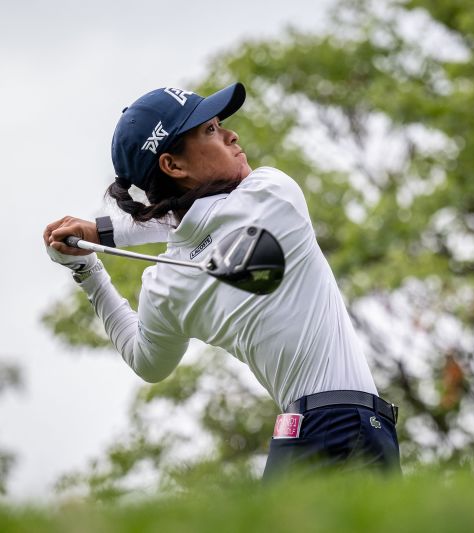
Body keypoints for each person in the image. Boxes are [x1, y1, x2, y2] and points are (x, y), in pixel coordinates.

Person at [43, 83, 400, 479]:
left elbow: (147, 362)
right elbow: (199, 216)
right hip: (347, 428)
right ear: (173, 166)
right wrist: (102, 232)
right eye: (210, 131)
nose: (232, 135)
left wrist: (89, 270)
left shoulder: (165, 285)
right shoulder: (272, 192)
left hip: (295, 441)